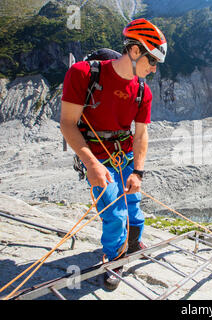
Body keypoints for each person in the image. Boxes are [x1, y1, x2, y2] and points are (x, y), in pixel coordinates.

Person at [60, 18, 167, 290]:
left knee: (134, 205)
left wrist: (138, 172)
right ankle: (115, 258)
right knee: (115, 213)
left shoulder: (143, 91)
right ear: (134, 51)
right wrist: (91, 165)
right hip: (97, 157)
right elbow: (68, 124)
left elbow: (141, 134)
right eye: (151, 60)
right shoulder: (83, 74)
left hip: (126, 155)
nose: (154, 68)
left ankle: (133, 243)